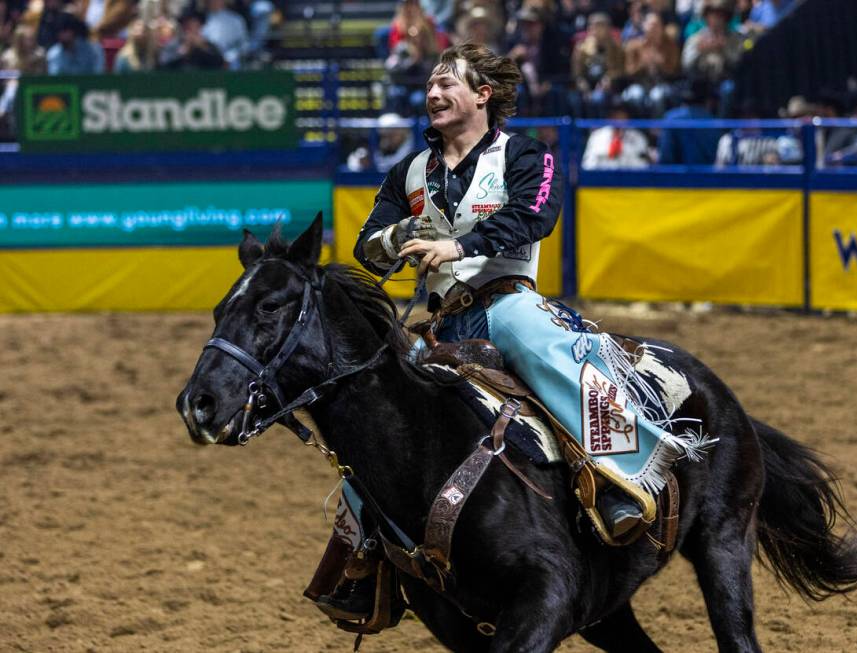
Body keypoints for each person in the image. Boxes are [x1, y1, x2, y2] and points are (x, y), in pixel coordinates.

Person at [313, 43, 698, 624]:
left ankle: (622, 478)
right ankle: (361, 556)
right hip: (440, 319)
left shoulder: (525, 155)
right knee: (377, 403)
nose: (433, 94)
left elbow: (534, 216)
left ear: (482, 95)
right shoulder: (411, 171)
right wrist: (399, 237)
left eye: (447, 84)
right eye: (430, 85)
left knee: (549, 350)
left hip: (506, 302)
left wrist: (457, 244)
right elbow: (366, 245)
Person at [581, 98, 650, 168]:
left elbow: (643, 166)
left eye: (621, 114)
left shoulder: (638, 137)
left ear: (627, 116)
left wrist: (624, 152)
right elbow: (587, 165)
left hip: (628, 177)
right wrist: (606, 154)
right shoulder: (596, 136)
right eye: (614, 114)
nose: (617, 118)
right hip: (603, 177)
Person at [158, 10, 225, 70]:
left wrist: (203, 47)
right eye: (189, 27)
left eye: (196, 27)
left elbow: (219, 64)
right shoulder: (173, 45)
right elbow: (163, 64)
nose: (192, 31)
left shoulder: (209, 45)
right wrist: (182, 52)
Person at [202, 0, 249, 69]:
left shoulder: (236, 20)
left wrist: (229, 58)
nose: (214, 2)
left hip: (231, 63)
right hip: (206, 62)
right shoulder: (200, 19)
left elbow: (243, 44)